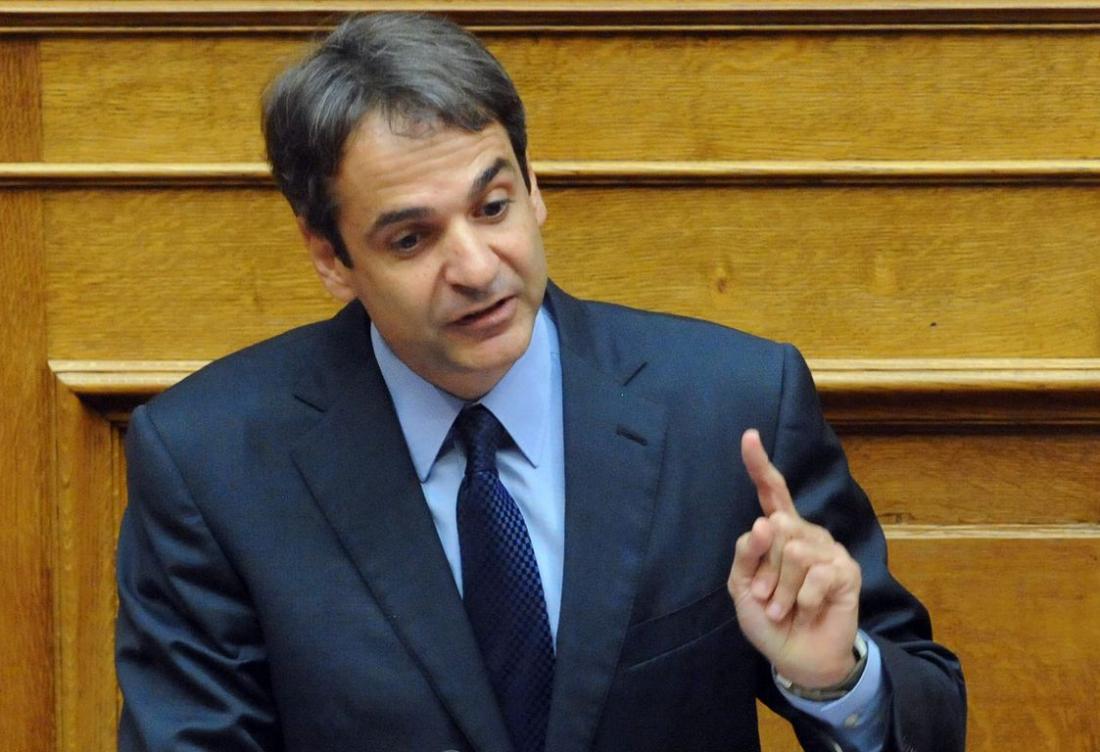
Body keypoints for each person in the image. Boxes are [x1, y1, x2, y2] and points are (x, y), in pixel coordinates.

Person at [115, 12, 966, 752]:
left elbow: (926, 712)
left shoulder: (730, 408)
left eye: (493, 207)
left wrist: (834, 678)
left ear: (534, 188)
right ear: (330, 257)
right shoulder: (212, 464)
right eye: (412, 239)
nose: (477, 267)